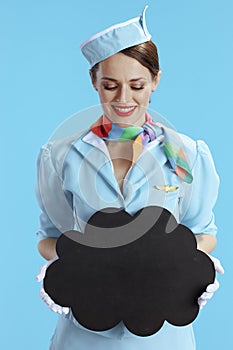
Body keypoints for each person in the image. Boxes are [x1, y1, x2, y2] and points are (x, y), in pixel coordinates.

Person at [36, 6, 224, 350]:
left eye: (137, 85)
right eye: (110, 86)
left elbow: (203, 232)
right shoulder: (60, 156)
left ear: (155, 81)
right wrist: (62, 264)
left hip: (165, 334)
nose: (124, 100)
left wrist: (189, 266)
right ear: (94, 82)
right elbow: (50, 237)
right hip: (85, 332)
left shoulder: (187, 154)